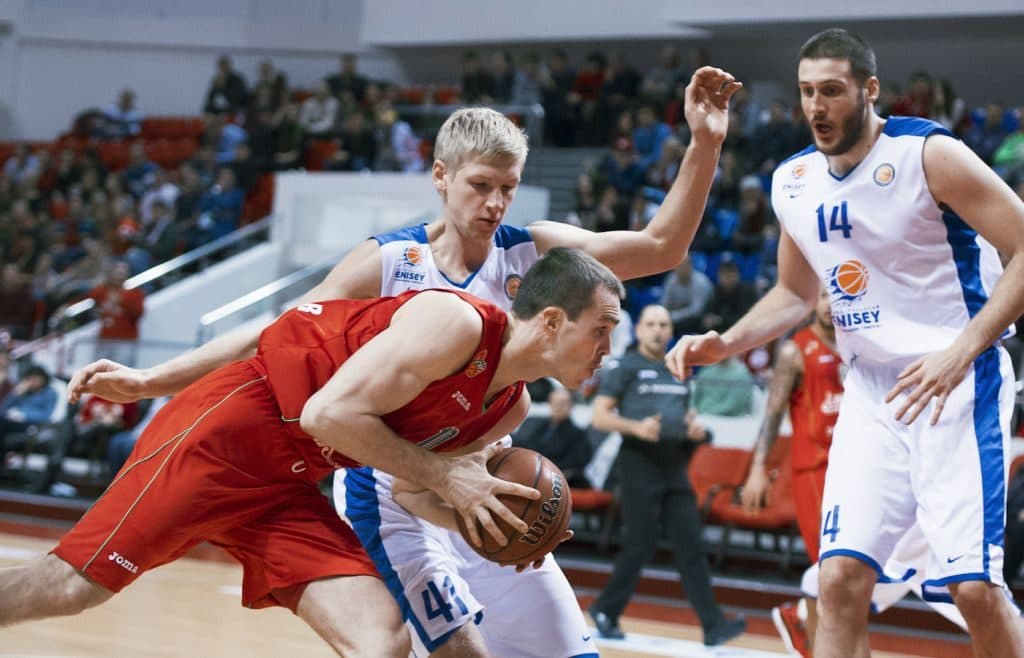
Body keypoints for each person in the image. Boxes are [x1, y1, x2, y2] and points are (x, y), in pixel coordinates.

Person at [66, 67, 741, 658]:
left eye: (508, 187)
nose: (496, 203)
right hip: (388, 488)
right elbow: (274, 334)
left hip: (485, 476)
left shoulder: (531, 253)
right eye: (481, 185)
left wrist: (705, 144)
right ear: (441, 177)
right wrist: (152, 380)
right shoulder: (390, 262)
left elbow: (660, 247)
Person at [0, 247, 623, 657]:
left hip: (290, 484)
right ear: (550, 321)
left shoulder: (509, 407)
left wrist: (492, 522)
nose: (606, 349)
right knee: (74, 588)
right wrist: (152, 381)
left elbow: (411, 491)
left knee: (382, 640)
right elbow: (328, 414)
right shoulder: (456, 324)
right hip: (230, 433)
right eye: (601, 330)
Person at [667, 28, 1024, 658]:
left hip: (958, 386)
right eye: (807, 92)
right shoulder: (793, 181)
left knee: (972, 589)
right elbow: (793, 292)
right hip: (871, 394)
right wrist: (727, 342)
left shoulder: (928, 154)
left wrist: (962, 349)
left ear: (869, 89)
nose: (817, 106)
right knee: (836, 581)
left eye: (831, 90)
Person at [587, 304, 745, 645]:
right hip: (638, 462)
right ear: (639, 330)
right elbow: (599, 416)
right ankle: (606, 610)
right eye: (651, 324)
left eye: (663, 324)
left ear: (671, 331)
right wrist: (636, 428)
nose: (657, 330)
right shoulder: (625, 367)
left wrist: (692, 430)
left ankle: (713, 625)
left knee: (691, 544)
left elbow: (683, 415)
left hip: (674, 465)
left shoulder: (678, 368)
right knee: (640, 543)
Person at [512, 387, 592, 488]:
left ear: (571, 406)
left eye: (563, 403)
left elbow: (576, 462)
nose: (558, 407)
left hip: (556, 480)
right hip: (532, 470)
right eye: (555, 403)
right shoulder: (539, 425)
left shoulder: (577, 434)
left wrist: (543, 468)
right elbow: (527, 445)